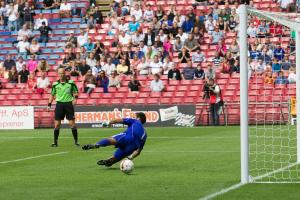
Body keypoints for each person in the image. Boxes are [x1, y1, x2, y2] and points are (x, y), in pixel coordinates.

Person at [82, 113, 147, 167]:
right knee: (118, 156)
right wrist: (130, 157)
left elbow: (117, 120)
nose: (133, 117)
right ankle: (110, 161)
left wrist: (108, 123)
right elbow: (138, 151)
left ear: (138, 118)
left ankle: (97, 144)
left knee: (111, 140)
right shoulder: (145, 134)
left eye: (135, 116)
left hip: (127, 137)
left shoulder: (135, 121)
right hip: (133, 146)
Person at [47, 68, 79, 147]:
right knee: (57, 125)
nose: (61, 75)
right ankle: (55, 142)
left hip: (68, 104)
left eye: (62, 73)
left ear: (65, 73)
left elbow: (76, 92)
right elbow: (52, 95)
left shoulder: (71, 83)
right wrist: (49, 104)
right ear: (58, 74)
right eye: (60, 73)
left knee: (72, 124)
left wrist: (75, 98)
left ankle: (76, 141)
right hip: (59, 105)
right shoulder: (55, 84)